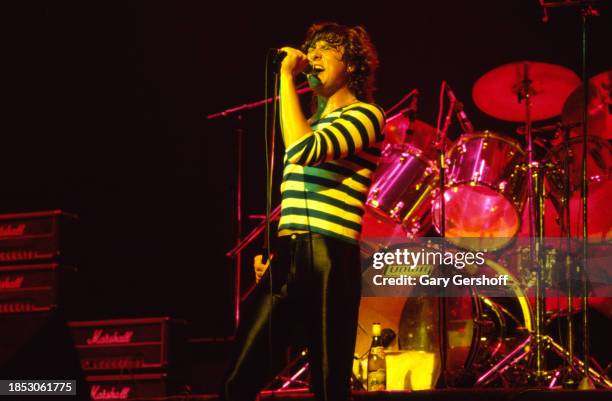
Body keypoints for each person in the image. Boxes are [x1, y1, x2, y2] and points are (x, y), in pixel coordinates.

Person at [222, 22, 385, 401]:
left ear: (353, 65)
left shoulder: (366, 116)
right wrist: (275, 248)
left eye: (325, 48)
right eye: (309, 48)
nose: (312, 55)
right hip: (289, 256)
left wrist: (283, 76)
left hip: (330, 258)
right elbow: (296, 191)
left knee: (328, 387)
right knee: (236, 383)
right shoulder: (307, 123)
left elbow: (303, 151)